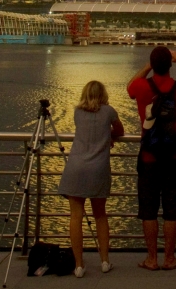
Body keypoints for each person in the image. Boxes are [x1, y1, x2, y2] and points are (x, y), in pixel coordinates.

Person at [127, 46, 176, 271]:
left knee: (148, 210)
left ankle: (151, 259)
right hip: (174, 157)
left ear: (152, 64)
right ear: (170, 65)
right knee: (172, 210)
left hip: (149, 158)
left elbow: (129, 86)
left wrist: (148, 66)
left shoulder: (141, 87)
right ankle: (169, 258)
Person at [58, 81, 125, 278]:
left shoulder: (77, 112)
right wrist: (108, 137)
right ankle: (104, 261)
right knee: (100, 215)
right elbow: (119, 131)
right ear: (104, 94)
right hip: (98, 169)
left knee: (75, 216)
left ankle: (79, 265)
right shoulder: (109, 111)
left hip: (76, 167)